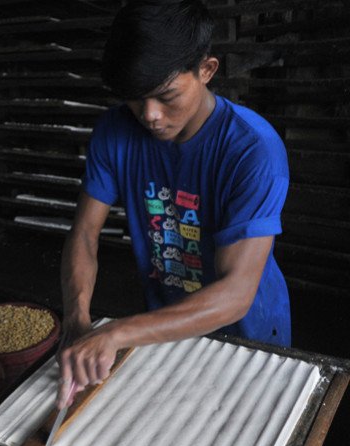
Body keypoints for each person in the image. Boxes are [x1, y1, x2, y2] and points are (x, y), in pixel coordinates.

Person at [57, 0, 291, 408]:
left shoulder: (253, 150)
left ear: (206, 70)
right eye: (135, 99)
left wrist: (117, 332)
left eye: (166, 95)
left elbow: (236, 293)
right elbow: (85, 233)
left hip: (250, 334)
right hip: (161, 323)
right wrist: (78, 320)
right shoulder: (115, 132)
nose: (149, 115)